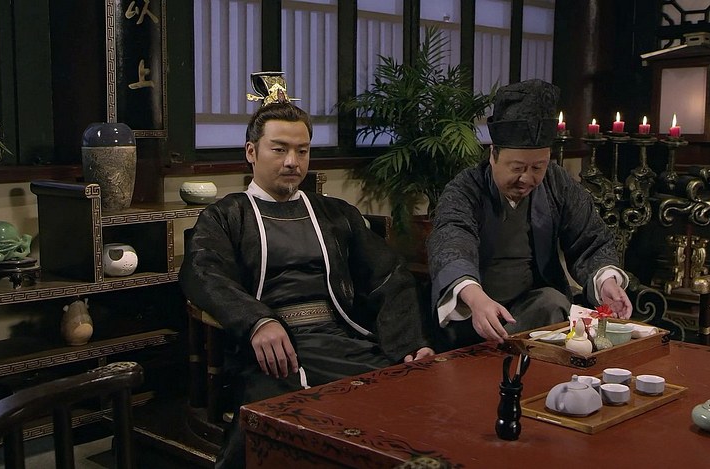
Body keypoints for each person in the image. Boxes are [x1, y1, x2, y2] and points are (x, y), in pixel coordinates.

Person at [179, 73, 434, 469]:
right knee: (269, 428)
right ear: (251, 152)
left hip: (340, 338)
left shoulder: (334, 213)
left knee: (409, 401)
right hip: (270, 351)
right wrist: (257, 321)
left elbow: (390, 274)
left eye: (302, 150)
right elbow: (202, 272)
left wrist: (408, 343)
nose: (292, 162)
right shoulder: (227, 215)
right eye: (279, 149)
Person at [426, 78, 632, 351]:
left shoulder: (557, 183)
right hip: (476, 312)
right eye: (517, 168)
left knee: (553, 302)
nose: (526, 178)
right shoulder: (466, 189)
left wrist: (606, 282)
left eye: (537, 167)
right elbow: (452, 242)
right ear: (493, 155)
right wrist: (475, 298)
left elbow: (590, 239)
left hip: (531, 311)